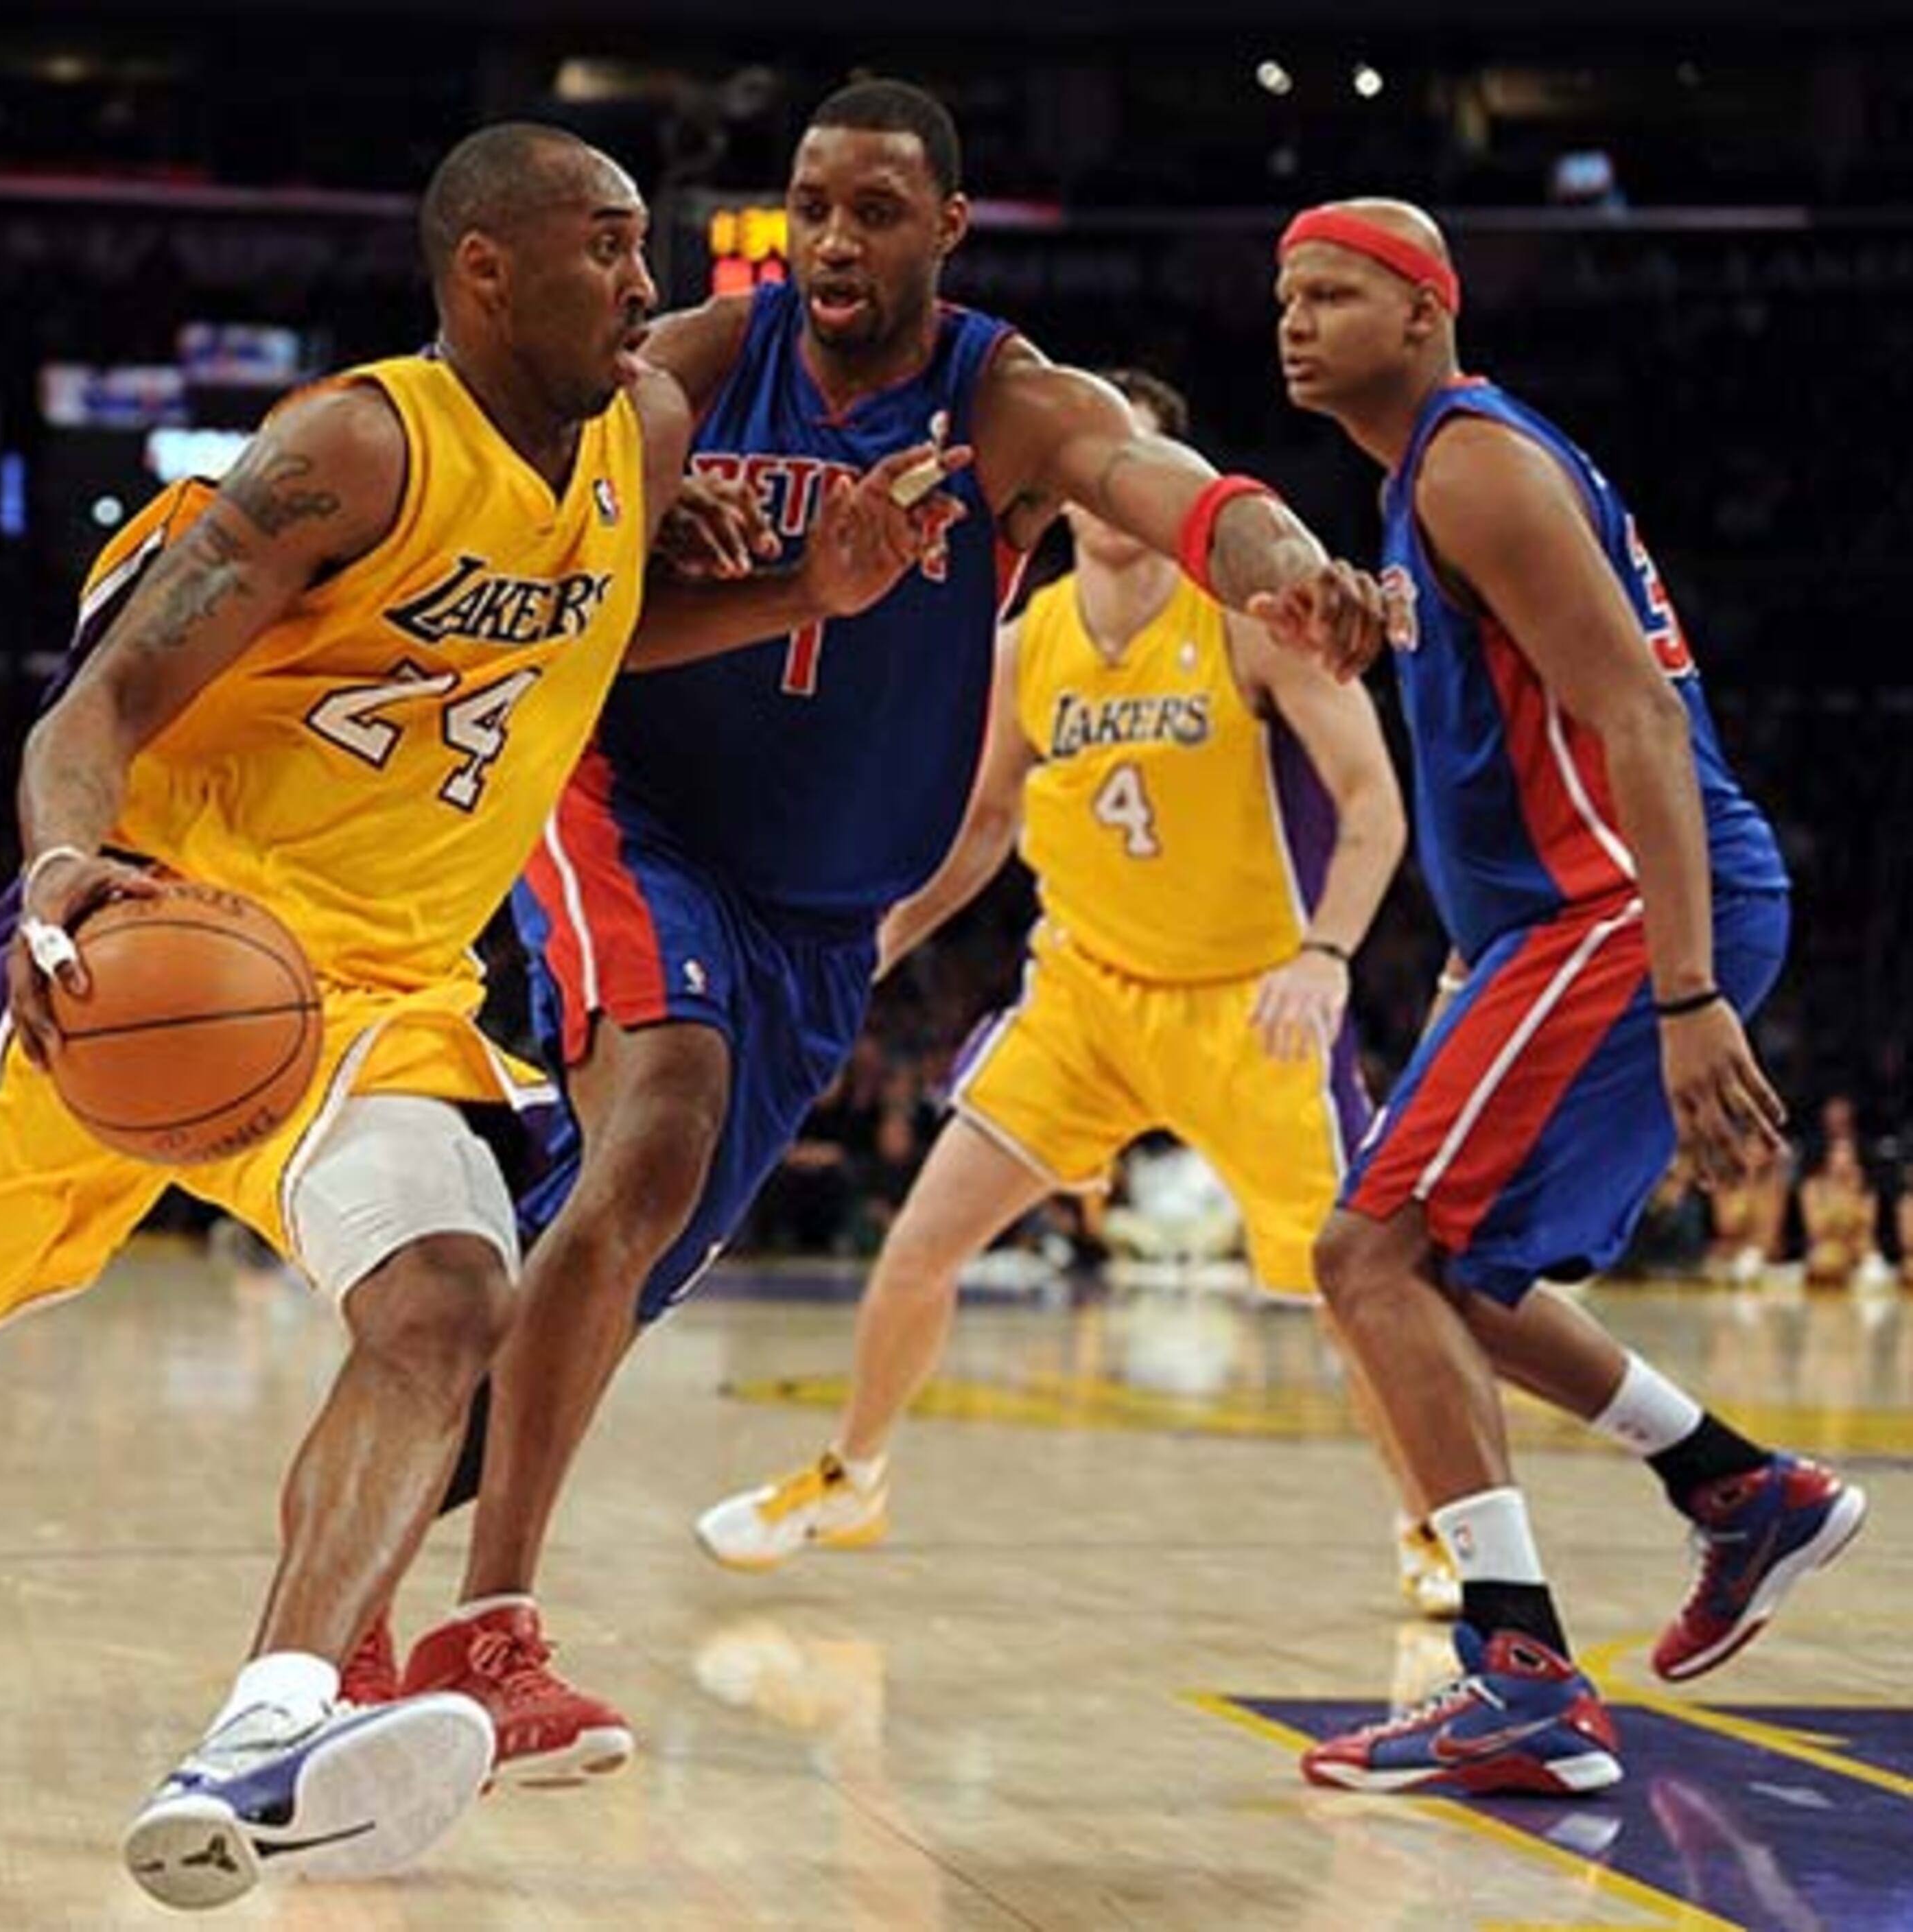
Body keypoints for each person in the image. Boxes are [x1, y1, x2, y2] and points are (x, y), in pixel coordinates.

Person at [0, 122, 954, 1910]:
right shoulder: (351, 451)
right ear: (486, 270)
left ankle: (266, 1727)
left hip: (375, 1000)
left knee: (449, 1302)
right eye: (608, 249)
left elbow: (587, 633)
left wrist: (796, 596)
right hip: (155, 960)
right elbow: (95, 708)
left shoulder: (643, 436)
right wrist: (62, 880)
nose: (649, 286)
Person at [371, 80, 1388, 1780]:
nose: (836, 242)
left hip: (822, 920)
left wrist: (1296, 567)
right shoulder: (696, 364)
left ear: (948, 230)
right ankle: (492, 1639)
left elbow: (1180, 489)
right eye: (814, 207)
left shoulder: (1009, 404)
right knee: (656, 1139)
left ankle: (347, 1580)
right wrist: (638, 517)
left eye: (876, 213)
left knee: (610, 1264)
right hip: (639, 823)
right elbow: (554, 521)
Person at [692, 368, 1468, 1619]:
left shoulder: (1250, 623)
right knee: (922, 1242)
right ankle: (854, 1473)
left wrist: (1325, 959)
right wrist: (867, 948)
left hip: (1250, 1000)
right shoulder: (1023, 645)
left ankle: (1433, 1528)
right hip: (1088, 995)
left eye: (1139, 459)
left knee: (1355, 1283)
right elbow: (982, 828)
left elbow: (1376, 805)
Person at [1276, 199, 1866, 1795]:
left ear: (1425, 311)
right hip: (1569, 922)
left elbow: (1640, 720)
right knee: (1456, 1271)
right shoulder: (1425, 490)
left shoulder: (1474, 463)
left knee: (1365, 1252)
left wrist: (1685, 993)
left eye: (1334, 291)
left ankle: (1520, 1671)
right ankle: (1743, 1490)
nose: (1295, 318)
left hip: (1622, 914)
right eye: (1284, 293)